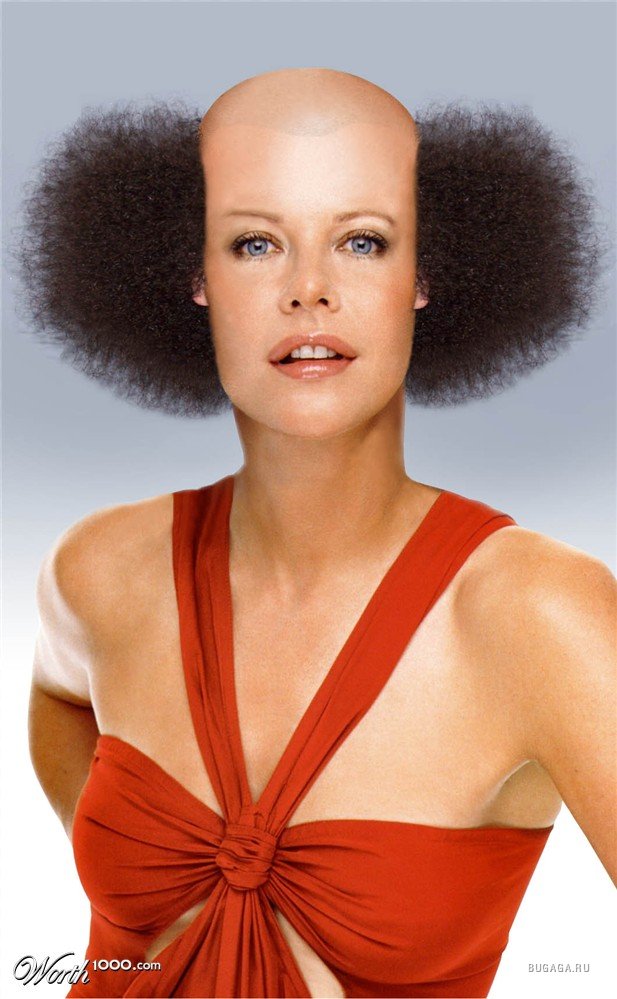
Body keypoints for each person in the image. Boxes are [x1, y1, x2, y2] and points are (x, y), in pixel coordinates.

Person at [14, 68, 615, 998]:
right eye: (254, 243)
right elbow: (59, 701)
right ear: (193, 276)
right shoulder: (101, 566)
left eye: (362, 241)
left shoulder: (535, 614)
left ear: (426, 275)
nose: (308, 290)